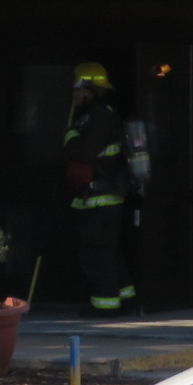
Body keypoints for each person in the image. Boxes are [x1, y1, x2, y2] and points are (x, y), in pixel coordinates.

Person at [64, 62, 134, 315]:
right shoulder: (100, 114)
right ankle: (125, 300)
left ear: (87, 89)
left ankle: (105, 307)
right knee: (110, 252)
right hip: (101, 197)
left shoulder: (97, 117)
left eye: (76, 88)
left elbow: (82, 152)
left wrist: (69, 135)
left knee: (97, 255)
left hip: (101, 200)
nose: (73, 94)